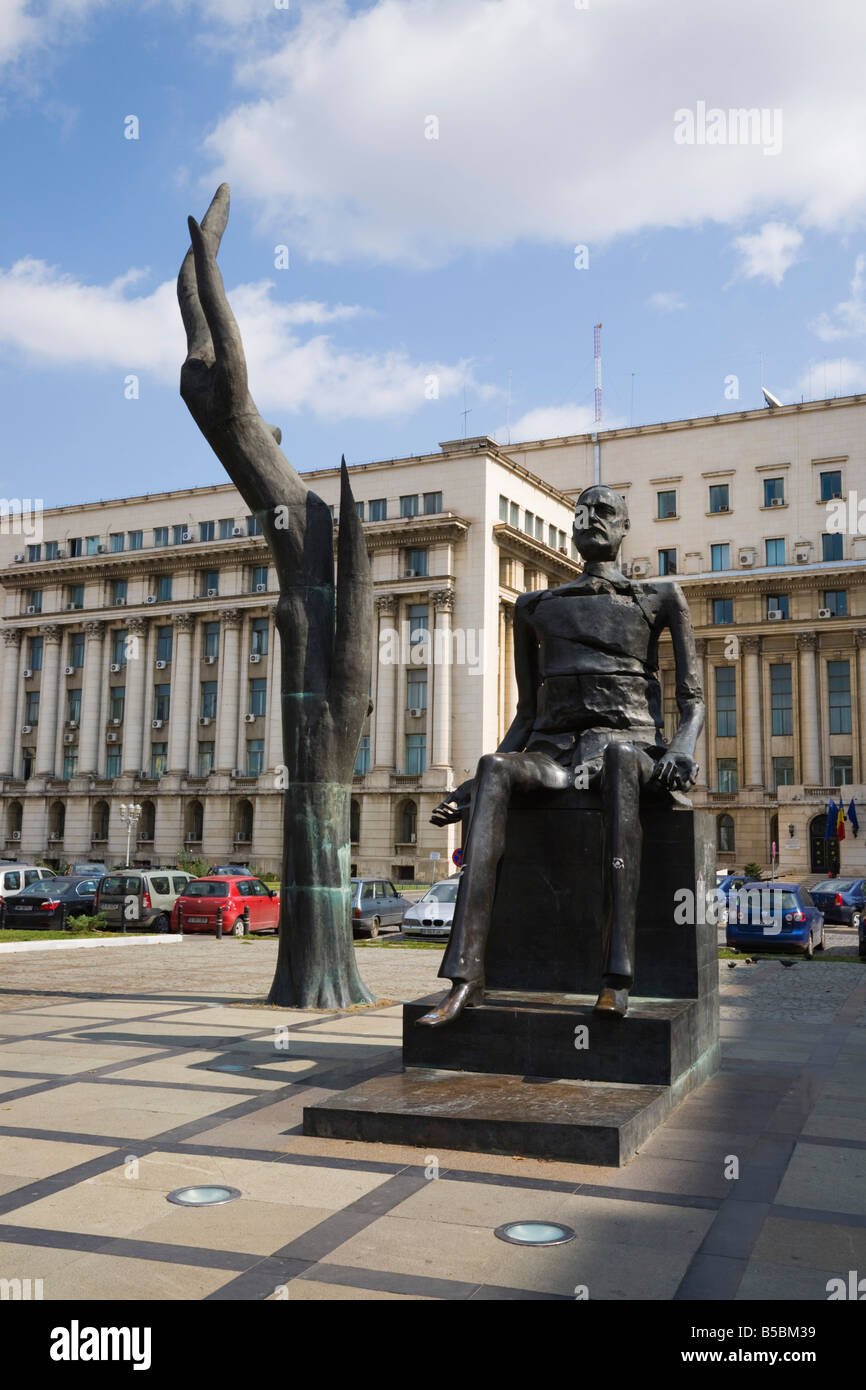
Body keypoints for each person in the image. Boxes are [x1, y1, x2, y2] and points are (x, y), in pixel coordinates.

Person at [418, 484, 704, 1026]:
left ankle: (616, 978)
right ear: (572, 530)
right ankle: (465, 979)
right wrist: (471, 786)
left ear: (623, 530)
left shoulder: (659, 597)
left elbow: (692, 699)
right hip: (554, 752)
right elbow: (526, 713)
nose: (591, 519)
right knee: (494, 769)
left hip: (634, 749)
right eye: (582, 512)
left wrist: (682, 752)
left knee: (620, 759)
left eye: (605, 512)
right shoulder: (536, 607)